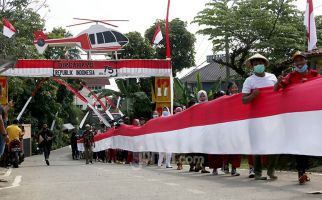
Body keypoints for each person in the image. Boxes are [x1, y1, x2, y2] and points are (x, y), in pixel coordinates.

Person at [274, 51, 319, 184]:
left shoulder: (314, 74)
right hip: (296, 117)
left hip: (312, 116)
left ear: (306, 61)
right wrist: (278, 82)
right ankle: (301, 172)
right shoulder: (290, 76)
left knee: (310, 143)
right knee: (299, 143)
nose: (299, 63)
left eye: (301, 60)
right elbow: (276, 89)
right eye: (296, 61)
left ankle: (304, 170)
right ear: (294, 64)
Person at [242, 53, 279, 180]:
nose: (258, 65)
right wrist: (253, 96)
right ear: (252, 66)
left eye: (260, 62)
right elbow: (244, 100)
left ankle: (271, 171)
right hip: (256, 118)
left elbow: (277, 92)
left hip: (272, 116)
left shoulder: (272, 77)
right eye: (255, 63)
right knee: (258, 145)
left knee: (274, 144)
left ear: (264, 64)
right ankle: (257, 173)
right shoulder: (249, 80)